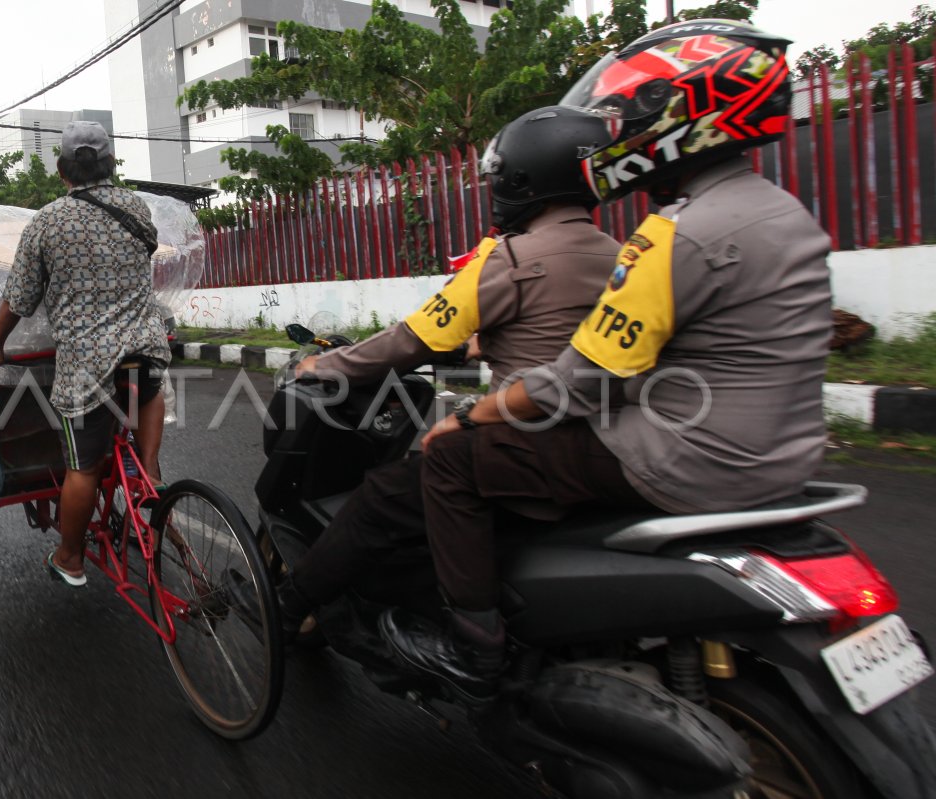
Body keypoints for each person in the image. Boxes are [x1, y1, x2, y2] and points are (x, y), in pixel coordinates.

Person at [378, 19, 834, 699]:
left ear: (686, 120)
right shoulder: (782, 212)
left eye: (630, 120)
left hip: (686, 461)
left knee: (449, 460)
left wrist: (471, 417)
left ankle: (474, 644)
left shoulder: (678, 233)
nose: (616, 137)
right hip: (785, 458)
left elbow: (579, 380)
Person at [268, 106, 621, 650]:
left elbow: (412, 339)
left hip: (525, 436)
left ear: (519, 178)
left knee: (381, 497)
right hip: (603, 443)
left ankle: (288, 613)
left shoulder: (512, 258)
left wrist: (326, 364)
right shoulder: (622, 254)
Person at [0, 120, 171, 588]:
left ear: (62, 170)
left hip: (87, 366)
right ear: (109, 165)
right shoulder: (135, 206)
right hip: (145, 347)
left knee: (82, 467)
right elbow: (141, 254)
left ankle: (70, 557)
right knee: (149, 387)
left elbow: (19, 298)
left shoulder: (46, 222)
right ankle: (150, 477)